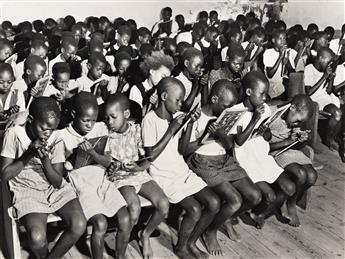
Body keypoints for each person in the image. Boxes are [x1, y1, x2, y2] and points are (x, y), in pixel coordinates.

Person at [142, 77, 220, 259]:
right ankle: (181, 247)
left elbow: (181, 150)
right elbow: (150, 155)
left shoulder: (176, 118)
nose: (180, 104)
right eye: (177, 100)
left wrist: (189, 123)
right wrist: (171, 129)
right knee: (194, 209)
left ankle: (191, 241)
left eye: (182, 101)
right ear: (163, 96)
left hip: (180, 169)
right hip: (162, 174)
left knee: (214, 203)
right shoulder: (150, 120)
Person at [0, 97, 87, 259]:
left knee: (79, 224)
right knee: (37, 238)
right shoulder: (14, 134)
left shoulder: (56, 139)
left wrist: (45, 160)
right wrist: (28, 155)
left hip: (53, 187)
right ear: (31, 120)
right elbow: (4, 175)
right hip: (25, 188)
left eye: (52, 129)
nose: (48, 133)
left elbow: (56, 180)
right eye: (44, 128)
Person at [182, 79, 261, 251]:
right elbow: (185, 150)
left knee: (255, 196)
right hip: (202, 162)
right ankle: (210, 231)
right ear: (215, 99)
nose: (228, 109)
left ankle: (224, 218)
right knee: (235, 200)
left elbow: (229, 145)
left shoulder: (226, 115)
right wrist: (204, 136)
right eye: (226, 105)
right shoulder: (198, 116)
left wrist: (221, 134)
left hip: (224, 160)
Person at [56, 92, 131, 259]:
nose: (90, 125)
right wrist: (67, 164)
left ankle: (120, 256)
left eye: (93, 119)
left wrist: (93, 154)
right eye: (85, 120)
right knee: (101, 223)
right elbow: (58, 169)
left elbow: (108, 162)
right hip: (80, 183)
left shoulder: (101, 128)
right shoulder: (62, 135)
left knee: (125, 219)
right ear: (74, 115)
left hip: (101, 178)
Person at [103, 93, 170, 259]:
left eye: (113, 117)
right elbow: (105, 164)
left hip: (139, 174)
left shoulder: (137, 129)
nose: (109, 122)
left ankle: (145, 234)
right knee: (134, 209)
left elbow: (147, 161)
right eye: (107, 118)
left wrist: (139, 167)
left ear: (126, 115)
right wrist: (113, 166)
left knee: (163, 204)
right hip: (120, 178)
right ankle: (120, 254)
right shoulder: (106, 135)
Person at [228, 71, 296, 229]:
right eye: (262, 94)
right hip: (245, 157)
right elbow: (238, 142)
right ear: (249, 92)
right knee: (270, 196)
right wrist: (255, 120)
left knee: (290, 187)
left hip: (261, 154)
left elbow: (267, 135)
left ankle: (257, 213)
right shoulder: (237, 112)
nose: (265, 98)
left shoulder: (263, 108)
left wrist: (264, 130)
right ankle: (233, 215)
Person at [268, 94, 318, 227]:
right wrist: (288, 141)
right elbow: (262, 146)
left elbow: (295, 143)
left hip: (289, 150)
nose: (297, 124)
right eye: (297, 121)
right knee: (300, 174)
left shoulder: (294, 118)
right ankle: (290, 204)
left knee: (312, 176)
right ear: (292, 108)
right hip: (274, 151)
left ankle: (291, 200)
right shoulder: (272, 113)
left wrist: (301, 140)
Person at [304, 47, 343, 148]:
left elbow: (328, 91)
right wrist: (324, 77)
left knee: (341, 111)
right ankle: (328, 139)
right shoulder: (309, 69)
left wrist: (330, 80)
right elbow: (308, 92)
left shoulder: (324, 70)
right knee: (337, 113)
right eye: (328, 61)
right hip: (315, 101)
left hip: (326, 99)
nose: (330, 64)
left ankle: (332, 136)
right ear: (321, 58)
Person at [129, 51, 175, 117]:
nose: (164, 80)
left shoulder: (163, 90)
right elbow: (137, 116)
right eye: (163, 76)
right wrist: (150, 103)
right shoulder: (136, 89)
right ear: (152, 71)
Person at [263, 30, 294, 99]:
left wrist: (286, 62)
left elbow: (290, 72)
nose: (283, 41)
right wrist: (280, 57)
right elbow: (270, 74)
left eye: (284, 39)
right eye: (280, 39)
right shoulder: (268, 53)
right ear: (273, 40)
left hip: (280, 88)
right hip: (270, 89)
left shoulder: (285, 52)